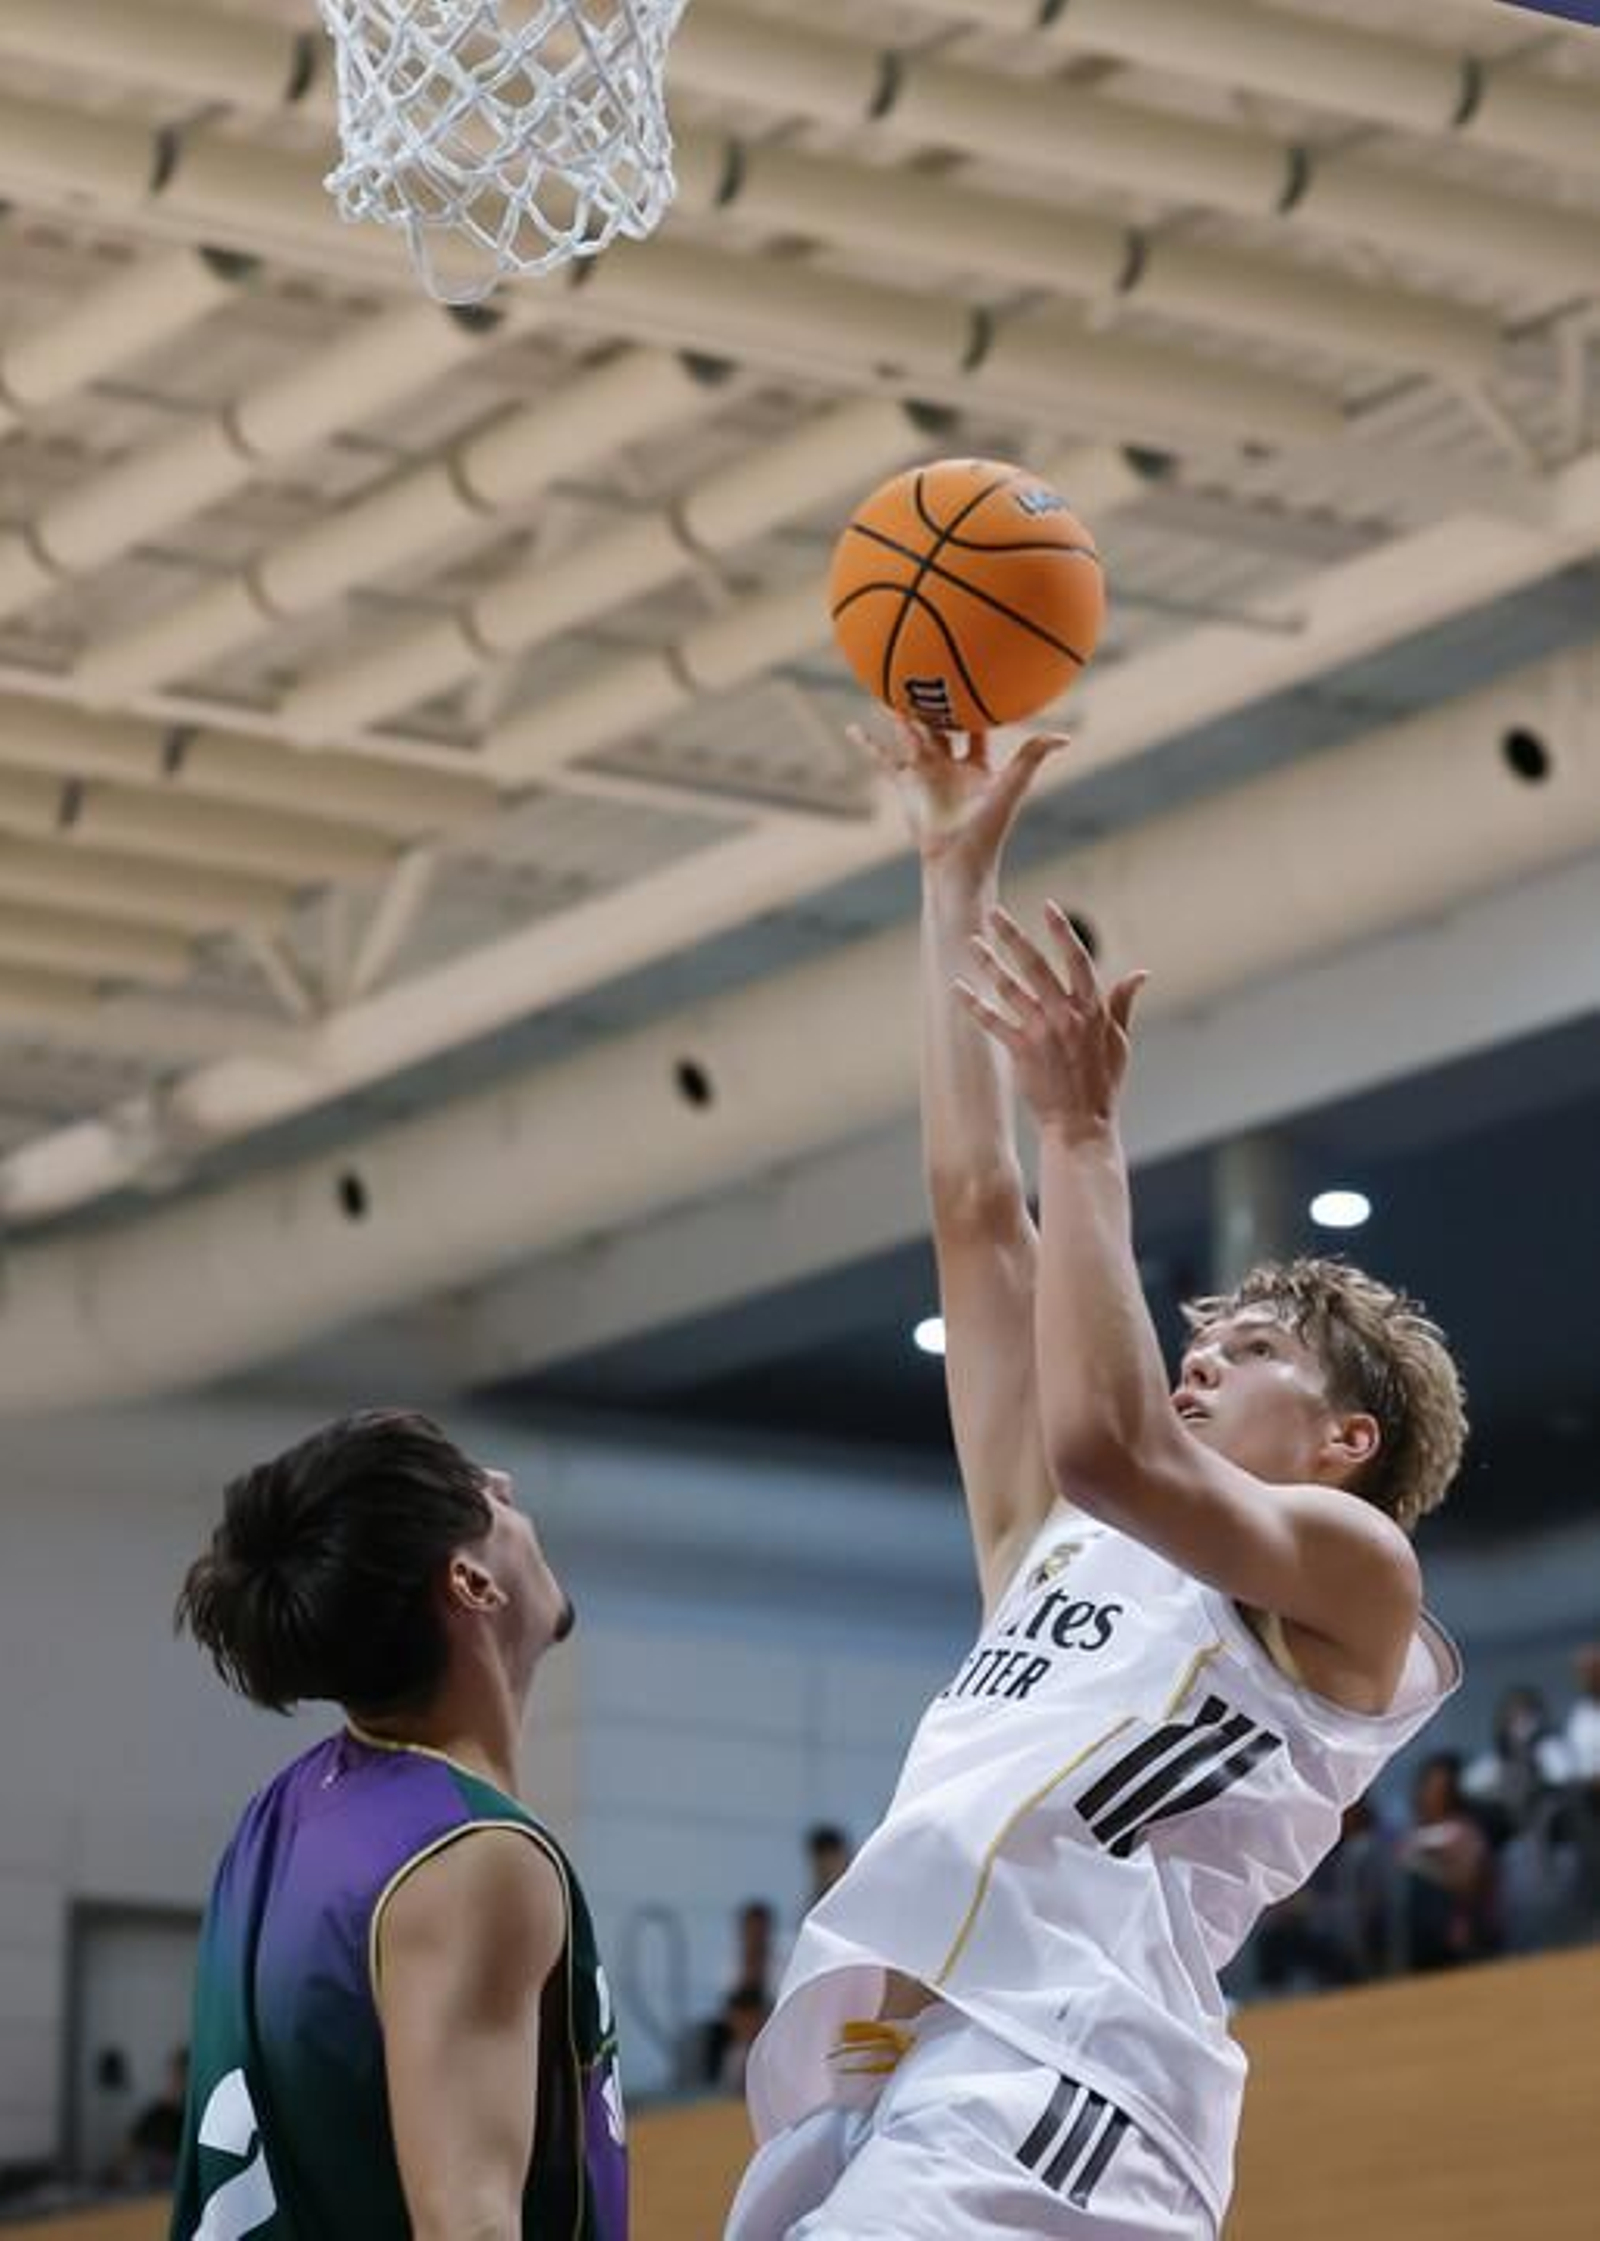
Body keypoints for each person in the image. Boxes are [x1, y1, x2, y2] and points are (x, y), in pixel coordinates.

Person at [727, 720, 1467, 2241]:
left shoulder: (1355, 1576)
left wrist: (1082, 1124)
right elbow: (974, 1214)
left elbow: (1107, 1437)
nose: (1201, 1358)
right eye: (1199, 1337)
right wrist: (951, 872)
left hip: (1069, 2078)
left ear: (1347, 1443)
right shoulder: (1059, 1544)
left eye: (1250, 1348)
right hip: (899, 2076)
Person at [169, 1409, 624, 2241]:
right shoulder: (471, 1859)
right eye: (481, 1496)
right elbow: (469, 2224)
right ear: (473, 1584)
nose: (508, 1486)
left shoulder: (286, 1813)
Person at [1398, 1751, 1496, 1970]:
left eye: (1444, 1788)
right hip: (1412, 1942)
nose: (1435, 1794)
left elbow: (1467, 1883)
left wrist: (1424, 1864)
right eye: (1431, 1786)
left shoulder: (1464, 1833)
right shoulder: (1408, 1835)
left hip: (1458, 1935)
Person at [705, 1903, 779, 2092]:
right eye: (751, 1931)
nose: (755, 1936)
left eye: (759, 1931)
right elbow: (729, 2008)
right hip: (739, 2036)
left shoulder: (782, 1963)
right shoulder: (730, 1966)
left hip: (773, 2031)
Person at [111, 2047, 189, 2190]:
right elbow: (126, 2153)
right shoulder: (154, 2114)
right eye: (176, 2074)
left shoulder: (197, 2119)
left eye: (183, 2074)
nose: (178, 2079)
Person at [804, 1827, 853, 1910]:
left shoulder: (855, 1896)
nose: (827, 1866)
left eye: (833, 1859)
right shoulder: (815, 1903)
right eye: (822, 1859)